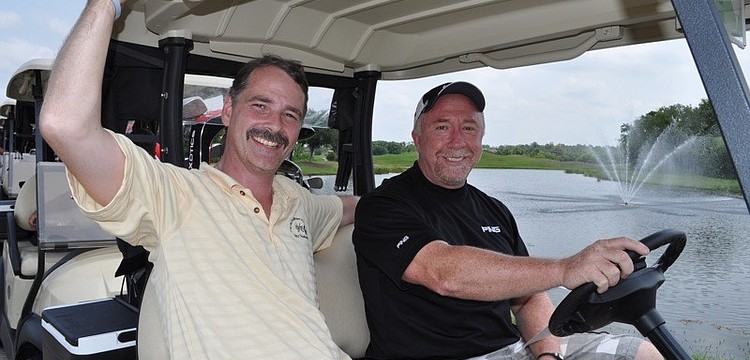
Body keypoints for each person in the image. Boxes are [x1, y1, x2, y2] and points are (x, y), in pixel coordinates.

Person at [39, 1, 357, 359]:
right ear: (229, 111)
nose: (274, 125)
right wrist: (105, 4)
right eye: (260, 105)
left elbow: (349, 208)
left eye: (290, 115)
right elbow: (64, 125)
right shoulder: (176, 195)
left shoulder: (300, 203)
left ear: (298, 131)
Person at [353, 82, 663, 360]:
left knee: (647, 353)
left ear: (481, 140)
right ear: (417, 138)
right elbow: (444, 273)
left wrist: (547, 355)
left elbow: (528, 300)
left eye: (470, 128)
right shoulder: (383, 206)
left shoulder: (493, 209)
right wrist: (563, 269)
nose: (458, 142)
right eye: (442, 127)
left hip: (514, 350)